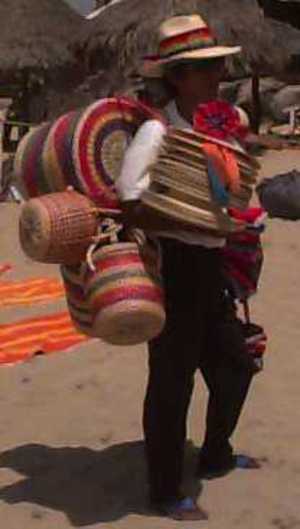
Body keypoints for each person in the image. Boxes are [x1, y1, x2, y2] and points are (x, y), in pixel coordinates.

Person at [116, 14, 261, 521]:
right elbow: (128, 201)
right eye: (201, 70)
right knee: (172, 380)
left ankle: (215, 451)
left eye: (216, 67)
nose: (214, 77)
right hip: (175, 265)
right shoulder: (156, 132)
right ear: (174, 77)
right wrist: (186, 211)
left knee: (237, 366)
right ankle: (163, 491)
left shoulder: (218, 128)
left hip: (212, 263)